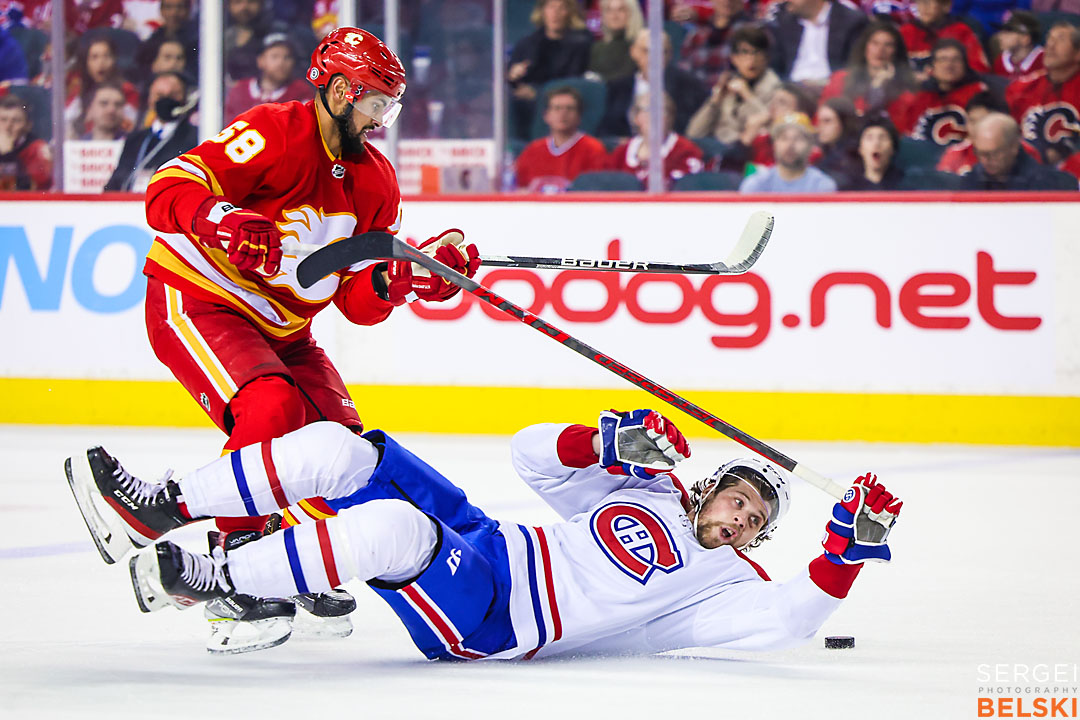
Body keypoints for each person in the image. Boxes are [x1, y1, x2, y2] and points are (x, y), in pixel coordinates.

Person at [135, 26, 482, 653]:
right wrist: (225, 218)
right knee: (271, 405)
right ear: (341, 89)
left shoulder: (377, 181)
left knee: (339, 448)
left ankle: (289, 559)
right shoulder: (274, 131)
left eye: (388, 107)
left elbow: (354, 302)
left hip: (286, 329)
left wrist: (402, 280)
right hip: (204, 298)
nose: (379, 120)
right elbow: (166, 190)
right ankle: (233, 560)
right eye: (375, 103)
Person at [63, 408, 904, 661]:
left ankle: (213, 581)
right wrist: (604, 442)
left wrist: (847, 549)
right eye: (740, 500)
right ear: (711, 486)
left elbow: (793, 619)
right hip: (490, 542)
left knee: (392, 529)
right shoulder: (647, 484)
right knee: (339, 450)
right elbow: (531, 454)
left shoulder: (725, 584)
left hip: (500, 619)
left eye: (756, 522)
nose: (743, 519)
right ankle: (162, 505)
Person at [599, 29, 709, 137]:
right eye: (647, 51)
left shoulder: (688, 86)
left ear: (670, 55)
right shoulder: (617, 87)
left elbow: (691, 130)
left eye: (661, 52)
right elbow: (606, 130)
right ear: (633, 52)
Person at [508, 0, 593, 139]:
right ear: (542, 11)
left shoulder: (580, 44)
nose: (555, 13)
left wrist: (538, 93)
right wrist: (513, 77)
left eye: (562, 8)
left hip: (562, 102)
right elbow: (511, 81)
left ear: (570, 13)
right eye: (551, 7)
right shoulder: (526, 44)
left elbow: (573, 81)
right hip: (526, 105)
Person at [685, 25, 783, 144]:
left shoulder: (776, 88)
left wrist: (747, 95)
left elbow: (773, 127)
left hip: (752, 147)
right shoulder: (728, 84)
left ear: (766, 57)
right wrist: (715, 100)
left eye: (757, 53)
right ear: (734, 58)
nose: (751, 59)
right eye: (745, 52)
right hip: (721, 148)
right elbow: (694, 133)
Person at [105, 72, 197, 192]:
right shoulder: (134, 140)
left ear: (184, 98)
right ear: (150, 99)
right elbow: (115, 183)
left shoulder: (194, 138)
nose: (166, 99)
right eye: (159, 95)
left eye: (173, 95)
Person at [1007, 22, 1080, 165]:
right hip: (1027, 167)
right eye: (1049, 39)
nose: (1050, 45)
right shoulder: (1022, 88)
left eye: (1060, 40)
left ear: (1078, 54)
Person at [514, 85, 609, 192]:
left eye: (570, 108)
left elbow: (597, 189)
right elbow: (518, 187)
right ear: (546, 115)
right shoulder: (532, 149)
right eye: (557, 108)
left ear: (579, 116)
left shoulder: (593, 148)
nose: (563, 114)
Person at [818, 21, 917, 124]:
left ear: (896, 51)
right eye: (875, 43)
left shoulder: (905, 88)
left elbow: (901, 123)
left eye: (888, 45)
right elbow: (821, 118)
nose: (880, 50)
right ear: (865, 46)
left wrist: (879, 86)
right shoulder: (840, 78)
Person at [897, 39, 988, 147]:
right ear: (932, 66)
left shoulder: (978, 93)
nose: (949, 65)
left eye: (955, 59)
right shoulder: (920, 97)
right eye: (942, 59)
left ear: (964, 64)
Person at [610, 92, 706, 188]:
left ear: (670, 117)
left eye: (661, 110)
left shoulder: (686, 151)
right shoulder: (621, 153)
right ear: (636, 117)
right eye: (648, 110)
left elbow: (689, 189)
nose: (654, 116)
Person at [962, 111, 1079, 189]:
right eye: (981, 153)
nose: (986, 160)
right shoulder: (969, 183)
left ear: (1014, 147)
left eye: (994, 153)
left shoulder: (1051, 185)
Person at [936, 91, 1042, 175]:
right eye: (972, 121)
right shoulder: (956, 154)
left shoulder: (1025, 151)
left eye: (983, 120)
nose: (977, 127)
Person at [767, 0, 869, 87]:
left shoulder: (851, 21)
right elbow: (776, 65)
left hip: (831, 87)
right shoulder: (783, 21)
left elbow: (855, 67)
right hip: (791, 87)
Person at [740, 111, 838, 191]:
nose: (790, 145)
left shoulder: (822, 186)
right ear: (774, 144)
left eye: (798, 138)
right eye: (784, 138)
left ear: (810, 146)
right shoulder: (756, 184)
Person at [225, 33, 312, 122]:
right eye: (275, 56)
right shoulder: (241, 89)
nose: (281, 63)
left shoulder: (300, 91)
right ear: (260, 61)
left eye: (287, 57)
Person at [66, 36, 140, 139]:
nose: (101, 63)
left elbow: (130, 126)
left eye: (106, 56)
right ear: (86, 62)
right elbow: (65, 122)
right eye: (94, 57)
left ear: (114, 60)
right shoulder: (79, 90)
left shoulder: (127, 90)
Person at [678, 0, 754, 89]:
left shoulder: (751, 31)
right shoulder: (697, 33)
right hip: (696, 92)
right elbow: (684, 69)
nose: (728, 1)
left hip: (732, 92)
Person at [899, 0, 990, 75]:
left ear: (946, 6)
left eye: (928, 2)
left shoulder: (960, 30)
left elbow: (979, 68)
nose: (923, 8)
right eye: (919, 2)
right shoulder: (907, 31)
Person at [136, 0, 200, 81]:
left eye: (180, 7)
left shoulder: (197, 41)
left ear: (188, 10)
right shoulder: (152, 41)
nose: (174, 13)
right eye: (168, 7)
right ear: (161, 10)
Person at [0, 94, 52, 191]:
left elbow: (32, 186)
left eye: (16, 121)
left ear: (28, 125)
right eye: (3, 120)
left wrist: (8, 154)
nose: (8, 126)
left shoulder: (36, 148)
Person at [842, 115, 905, 189]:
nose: (876, 143)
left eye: (882, 138)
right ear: (860, 148)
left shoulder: (906, 185)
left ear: (893, 148)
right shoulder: (848, 188)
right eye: (869, 138)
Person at [587, 0, 643, 82]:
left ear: (632, 14)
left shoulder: (641, 46)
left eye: (621, 10)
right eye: (609, 10)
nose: (614, 16)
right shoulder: (597, 48)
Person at [813, 96, 861, 184]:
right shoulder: (820, 152)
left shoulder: (855, 156)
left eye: (827, 121)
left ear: (844, 122)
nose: (819, 127)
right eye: (819, 121)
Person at [993, 11, 1044, 80]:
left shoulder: (1044, 60)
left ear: (1025, 38)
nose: (1000, 36)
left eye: (1007, 31)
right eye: (1001, 31)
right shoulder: (1000, 62)